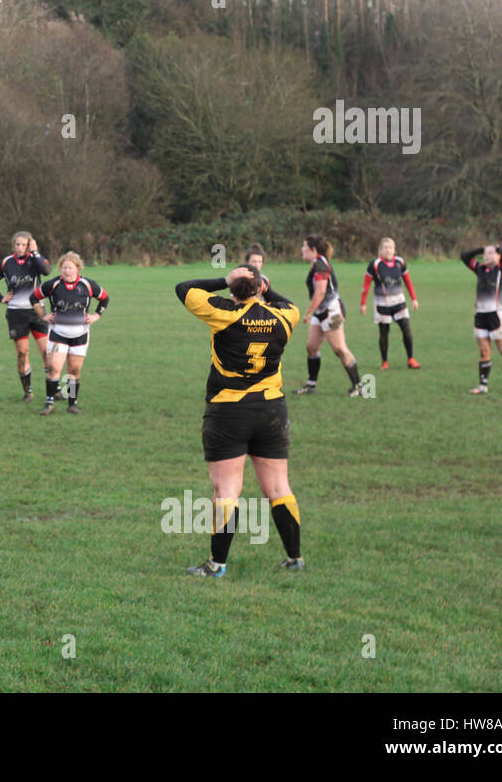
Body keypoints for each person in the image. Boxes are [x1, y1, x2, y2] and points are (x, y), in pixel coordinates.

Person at [176, 265, 305, 576]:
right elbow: (291, 305)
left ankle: (217, 565)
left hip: (228, 412)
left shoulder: (224, 312)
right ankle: (294, 559)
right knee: (278, 487)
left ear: (233, 291)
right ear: (261, 289)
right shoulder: (284, 316)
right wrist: (265, 288)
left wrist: (225, 278)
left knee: (226, 491)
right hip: (271, 410)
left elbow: (185, 288)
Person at [30, 251, 108, 415]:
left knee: (74, 371)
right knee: (54, 369)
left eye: (70, 268)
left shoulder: (87, 285)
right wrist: (43, 315)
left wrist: (97, 315)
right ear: (60, 269)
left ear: (77, 268)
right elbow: (34, 298)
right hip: (58, 333)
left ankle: (72, 404)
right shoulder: (53, 284)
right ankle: (49, 404)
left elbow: (104, 298)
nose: (67, 271)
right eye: (64, 268)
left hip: (80, 335)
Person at [293, 236, 364, 397]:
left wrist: (308, 312)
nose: (302, 250)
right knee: (311, 347)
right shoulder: (317, 262)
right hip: (321, 312)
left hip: (331, 312)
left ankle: (359, 386)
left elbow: (321, 291)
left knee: (339, 349)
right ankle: (311, 385)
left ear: (313, 249)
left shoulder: (320, 264)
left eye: (304, 246)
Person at [0, 232, 52, 401]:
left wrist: (35, 252)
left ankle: (53, 390)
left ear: (30, 245)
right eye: (18, 244)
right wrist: (1, 298)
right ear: (13, 245)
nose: (21, 248)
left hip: (37, 311)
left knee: (46, 352)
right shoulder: (6, 263)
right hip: (16, 313)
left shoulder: (35, 260)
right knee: (22, 353)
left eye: (24, 244)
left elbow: (46, 271)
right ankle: (28, 391)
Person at [461, 243, 502, 394]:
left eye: (491, 253)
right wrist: (481, 248)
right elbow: (464, 257)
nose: (487, 256)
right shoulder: (479, 269)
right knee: (484, 352)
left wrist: (499, 248)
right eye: (485, 254)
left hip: (497, 315)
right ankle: (483, 386)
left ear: (498, 256)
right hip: (480, 316)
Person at [360, 238, 420, 370]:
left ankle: (411, 359)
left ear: (394, 250)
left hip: (399, 302)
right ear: (380, 250)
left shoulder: (400, 262)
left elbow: (408, 282)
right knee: (384, 333)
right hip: (382, 304)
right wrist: (363, 303)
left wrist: (414, 299)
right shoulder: (375, 265)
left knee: (407, 330)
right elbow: (366, 285)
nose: (388, 250)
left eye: (391, 247)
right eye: (385, 248)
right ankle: (385, 362)